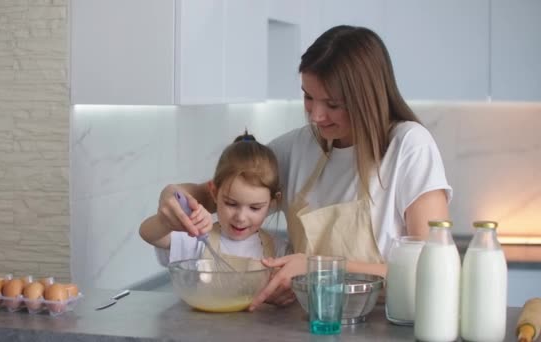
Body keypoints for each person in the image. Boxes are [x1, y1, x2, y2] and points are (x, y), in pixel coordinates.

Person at [153, 25, 452, 310]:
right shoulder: (299, 147)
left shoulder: (409, 146)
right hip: (310, 322)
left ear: (366, 99)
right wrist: (174, 194)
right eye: (308, 97)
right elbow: (221, 189)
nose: (317, 116)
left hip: (385, 324)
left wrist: (316, 267)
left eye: (333, 104)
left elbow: (430, 270)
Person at [139, 131, 287, 266]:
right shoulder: (198, 242)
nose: (241, 217)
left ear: (272, 203)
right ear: (214, 193)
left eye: (254, 208)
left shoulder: (279, 251)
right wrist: (166, 222)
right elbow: (148, 234)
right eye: (231, 204)